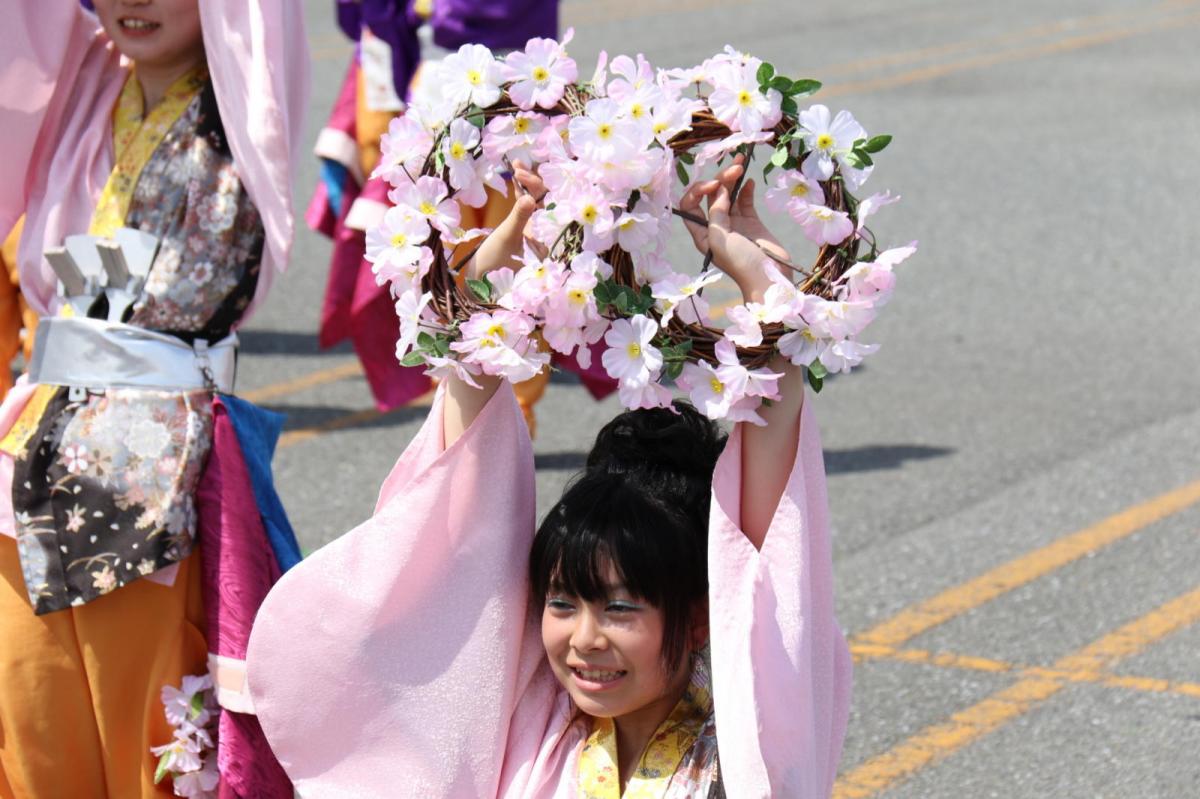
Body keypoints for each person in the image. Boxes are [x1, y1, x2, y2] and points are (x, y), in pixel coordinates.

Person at [248, 153, 852, 796]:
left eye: (621, 608)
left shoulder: (751, 737)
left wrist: (762, 290)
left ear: (703, 615)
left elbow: (766, 557)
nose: (583, 640)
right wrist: (505, 271)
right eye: (563, 603)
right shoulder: (530, 721)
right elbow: (458, 499)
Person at [0, 1, 307, 796]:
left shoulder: (244, 99)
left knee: (152, 749)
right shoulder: (82, 86)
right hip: (26, 457)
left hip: (145, 487)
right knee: (27, 725)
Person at [309, 0, 616, 435]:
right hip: (440, 87)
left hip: (517, 88)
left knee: (523, 262)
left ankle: (510, 412)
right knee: (440, 256)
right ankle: (457, 401)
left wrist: (425, 8)